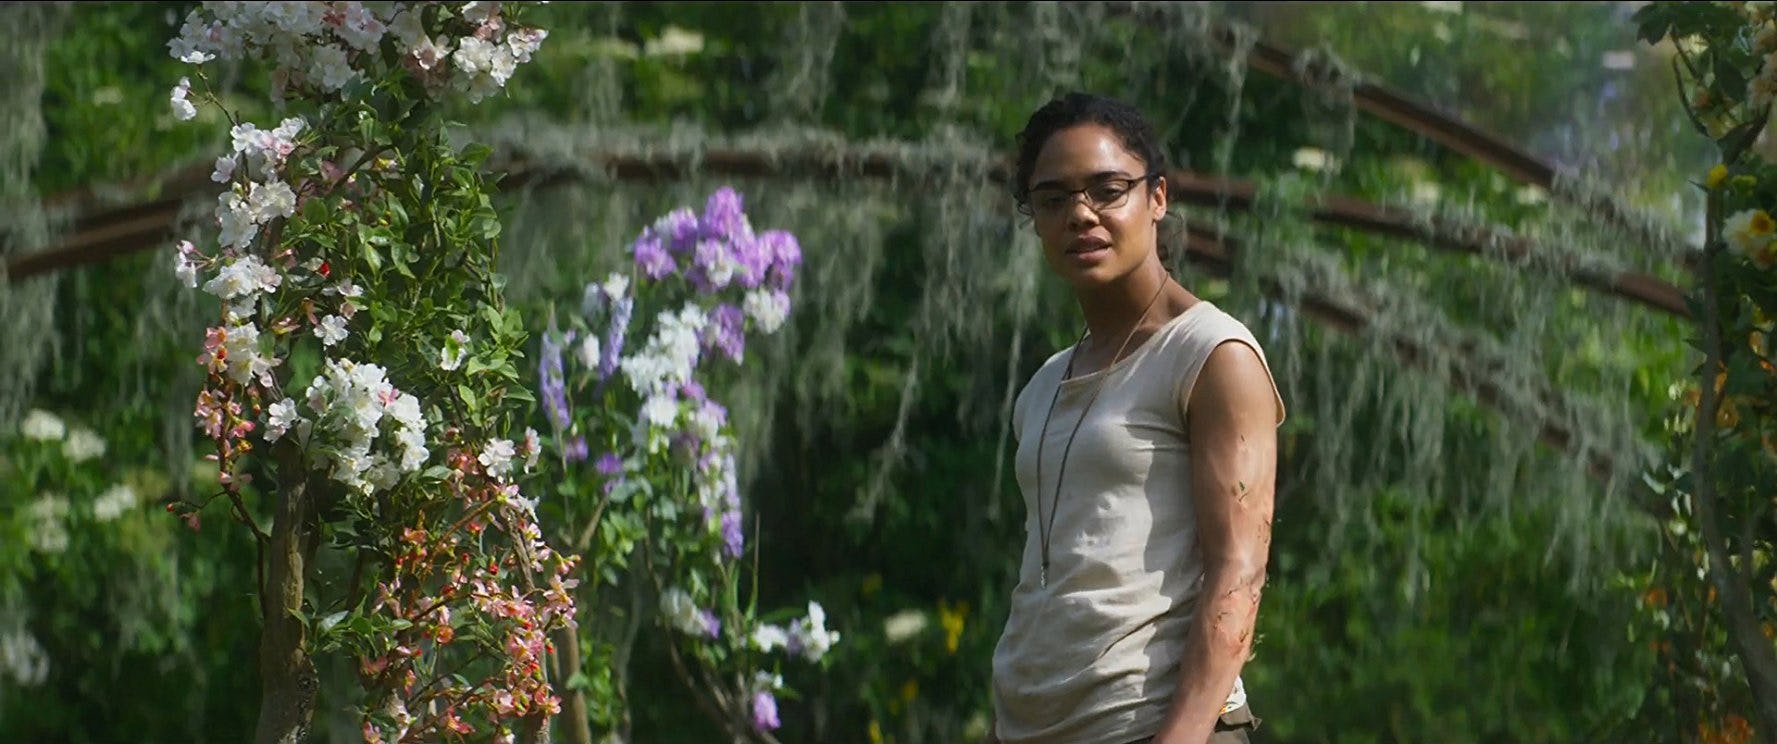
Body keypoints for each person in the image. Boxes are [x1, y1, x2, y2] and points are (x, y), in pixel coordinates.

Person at [988, 92, 1287, 744]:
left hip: (1153, 725)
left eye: (1107, 190)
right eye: (1053, 199)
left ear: (1157, 198)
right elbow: (1052, 582)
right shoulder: (1042, 387)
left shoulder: (1211, 354)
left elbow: (1238, 572)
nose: (1080, 214)